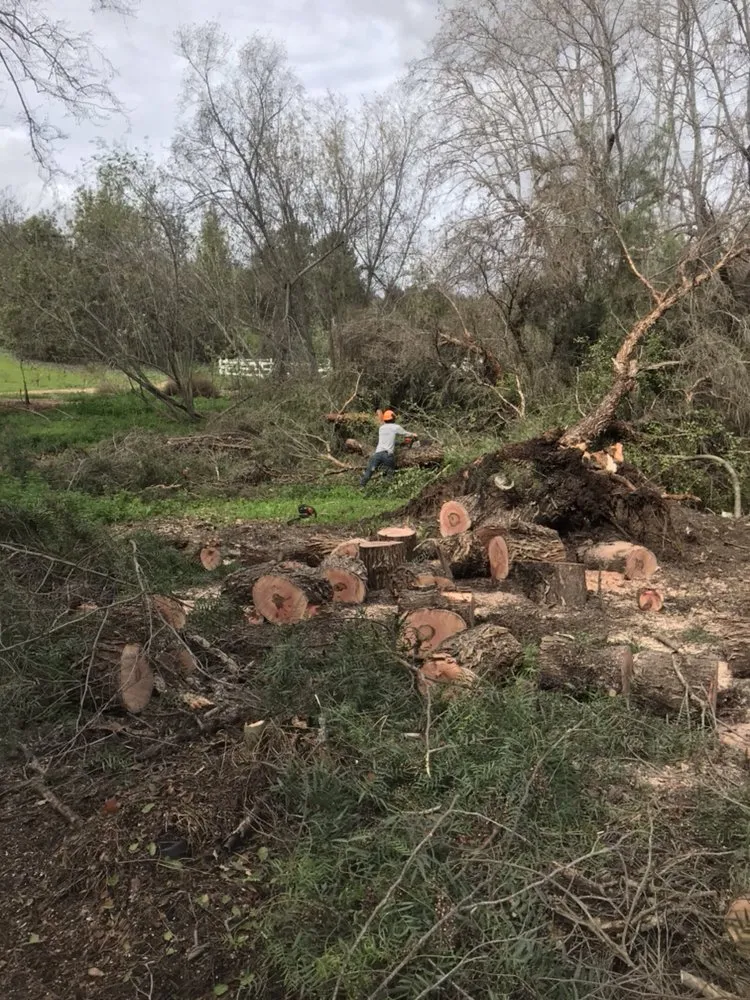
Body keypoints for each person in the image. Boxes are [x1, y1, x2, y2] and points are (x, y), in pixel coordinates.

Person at [359, 410, 417, 486]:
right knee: (389, 474)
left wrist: (401, 443)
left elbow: (388, 440)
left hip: (377, 454)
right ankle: (386, 491)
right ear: (393, 418)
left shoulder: (381, 428)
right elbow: (405, 433)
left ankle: (361, 487)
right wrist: (414, 435)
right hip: (387, 456)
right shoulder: (395, 427)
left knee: (370, 471)